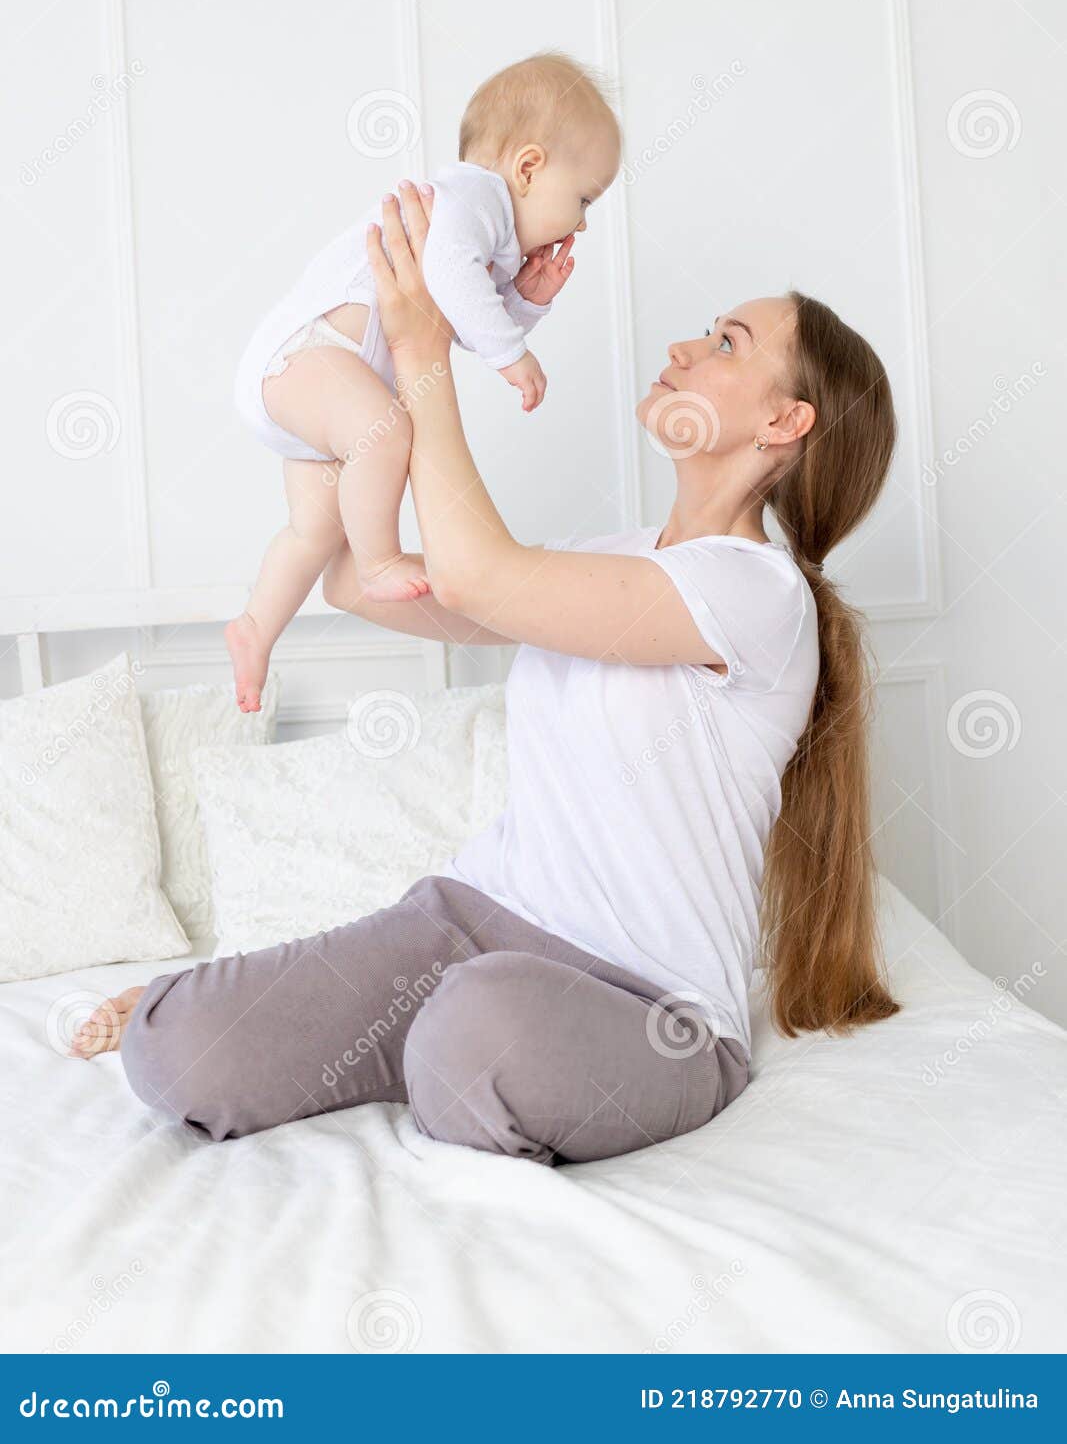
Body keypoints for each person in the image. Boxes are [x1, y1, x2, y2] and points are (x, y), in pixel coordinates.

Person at [74, 185, 900, 1169]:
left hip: (647, 1004)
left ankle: (440, 1056)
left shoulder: (757, 596)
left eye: (725, 343)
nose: (683, 348)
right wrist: (354, 398)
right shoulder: (612, 556)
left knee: (474, 1029)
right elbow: (360, 583)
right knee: (177, 1048)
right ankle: (406, 1049)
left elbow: (480, 574)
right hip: (463, 924)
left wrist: (426, 351)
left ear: (784, 421)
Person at [225, 53, 621, 713]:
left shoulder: (483, 235)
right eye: (582, 198)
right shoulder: (471, 199)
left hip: (322, 385)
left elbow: (451, 323)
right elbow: (450, 280)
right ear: (527, 168)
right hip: (305, 355)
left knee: (313, 532)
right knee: (385, 434)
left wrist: (524, 301)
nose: (580, 222)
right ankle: (379, 563)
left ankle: (255, 629)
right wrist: (512, 352)